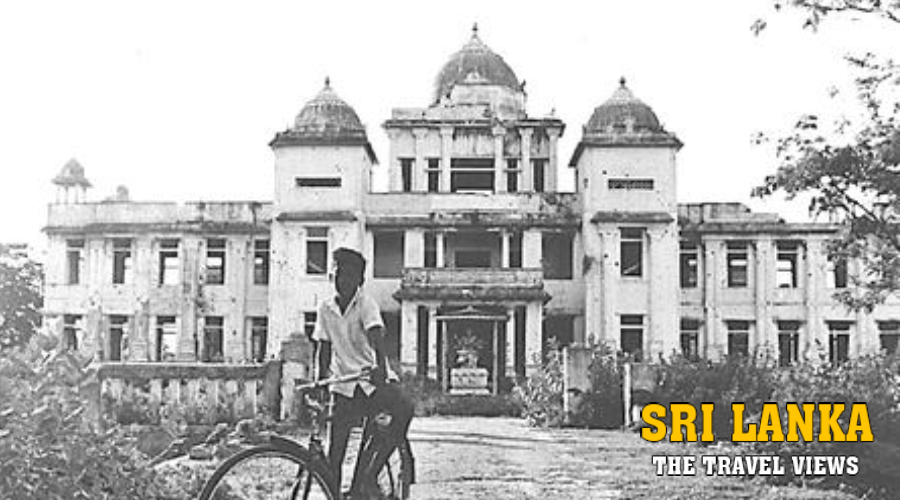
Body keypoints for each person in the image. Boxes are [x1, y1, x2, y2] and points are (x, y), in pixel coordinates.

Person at [312, 247, 414, 499]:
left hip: (370, 382)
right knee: (335, 453)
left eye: (348, 276)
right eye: (337, 275)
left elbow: (376, 335)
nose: (342, 282)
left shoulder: (365, 303)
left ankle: (370, 476)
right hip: (343, 385)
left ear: (359, 280)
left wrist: (380, 367)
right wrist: (320, 380)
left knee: (404, 410)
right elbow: (323, 348)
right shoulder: (325, 309)